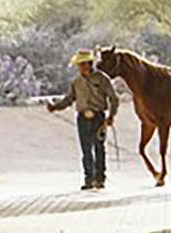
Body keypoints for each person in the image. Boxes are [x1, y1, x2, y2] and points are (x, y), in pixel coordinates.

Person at [47, 49, 120, 190]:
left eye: (83, 64)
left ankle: (100, 178)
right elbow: (69, 99)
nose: (81, 67)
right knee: (86, 149)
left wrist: (111, 116)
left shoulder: (102, 78)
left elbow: (113, 98)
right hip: (82, 118)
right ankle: (89, 179)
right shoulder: (76, 82)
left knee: (99, 147)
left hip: (98, 116)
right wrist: (55, 107)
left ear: (90, 63)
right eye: (79, 64)